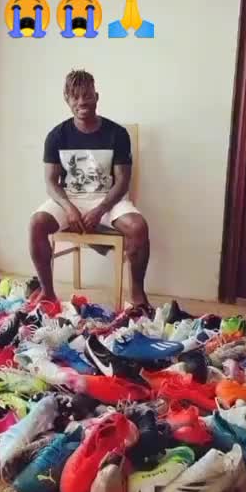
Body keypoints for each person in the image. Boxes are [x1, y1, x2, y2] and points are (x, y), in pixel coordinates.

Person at [29, 69, 151, 311]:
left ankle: (138, 297)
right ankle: (48, 293)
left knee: (138, 228)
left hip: (108, 200)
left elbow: (123, 181)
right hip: (70, 199)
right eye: (75, 97)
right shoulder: (57, 136)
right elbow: (51, 182)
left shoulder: (117, 134)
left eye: (86, 95)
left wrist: (101, 209)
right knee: (37, 224)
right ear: (67, 99)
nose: (81, 102)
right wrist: (68, 207)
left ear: (96, 96)